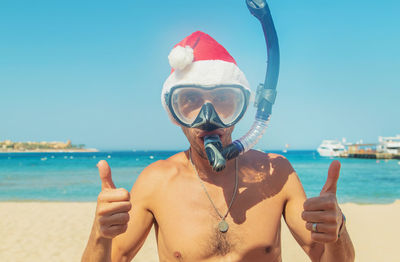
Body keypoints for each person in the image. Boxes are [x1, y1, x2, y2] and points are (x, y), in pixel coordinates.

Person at [82, 31, 355, 262]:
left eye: (224, 99)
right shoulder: (157, 182)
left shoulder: (277, 174)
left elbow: (326, 256)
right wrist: (99, 233)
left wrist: (336, 229)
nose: (208, 118)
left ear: (242, 108)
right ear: (173, 112)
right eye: (189, 100)